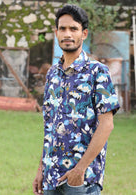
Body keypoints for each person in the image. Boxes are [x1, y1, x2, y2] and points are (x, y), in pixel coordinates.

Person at [33, 4, 120, 195]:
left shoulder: (98, 72)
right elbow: (50, 126)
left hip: (82, 180)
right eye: (62, 28)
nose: (67, 34)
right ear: (56, 33)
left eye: (74, 29)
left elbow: (107, 125)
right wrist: (41, 168)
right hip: (51, 177)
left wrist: (79, 170)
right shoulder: (52, 74)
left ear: (84, 33)